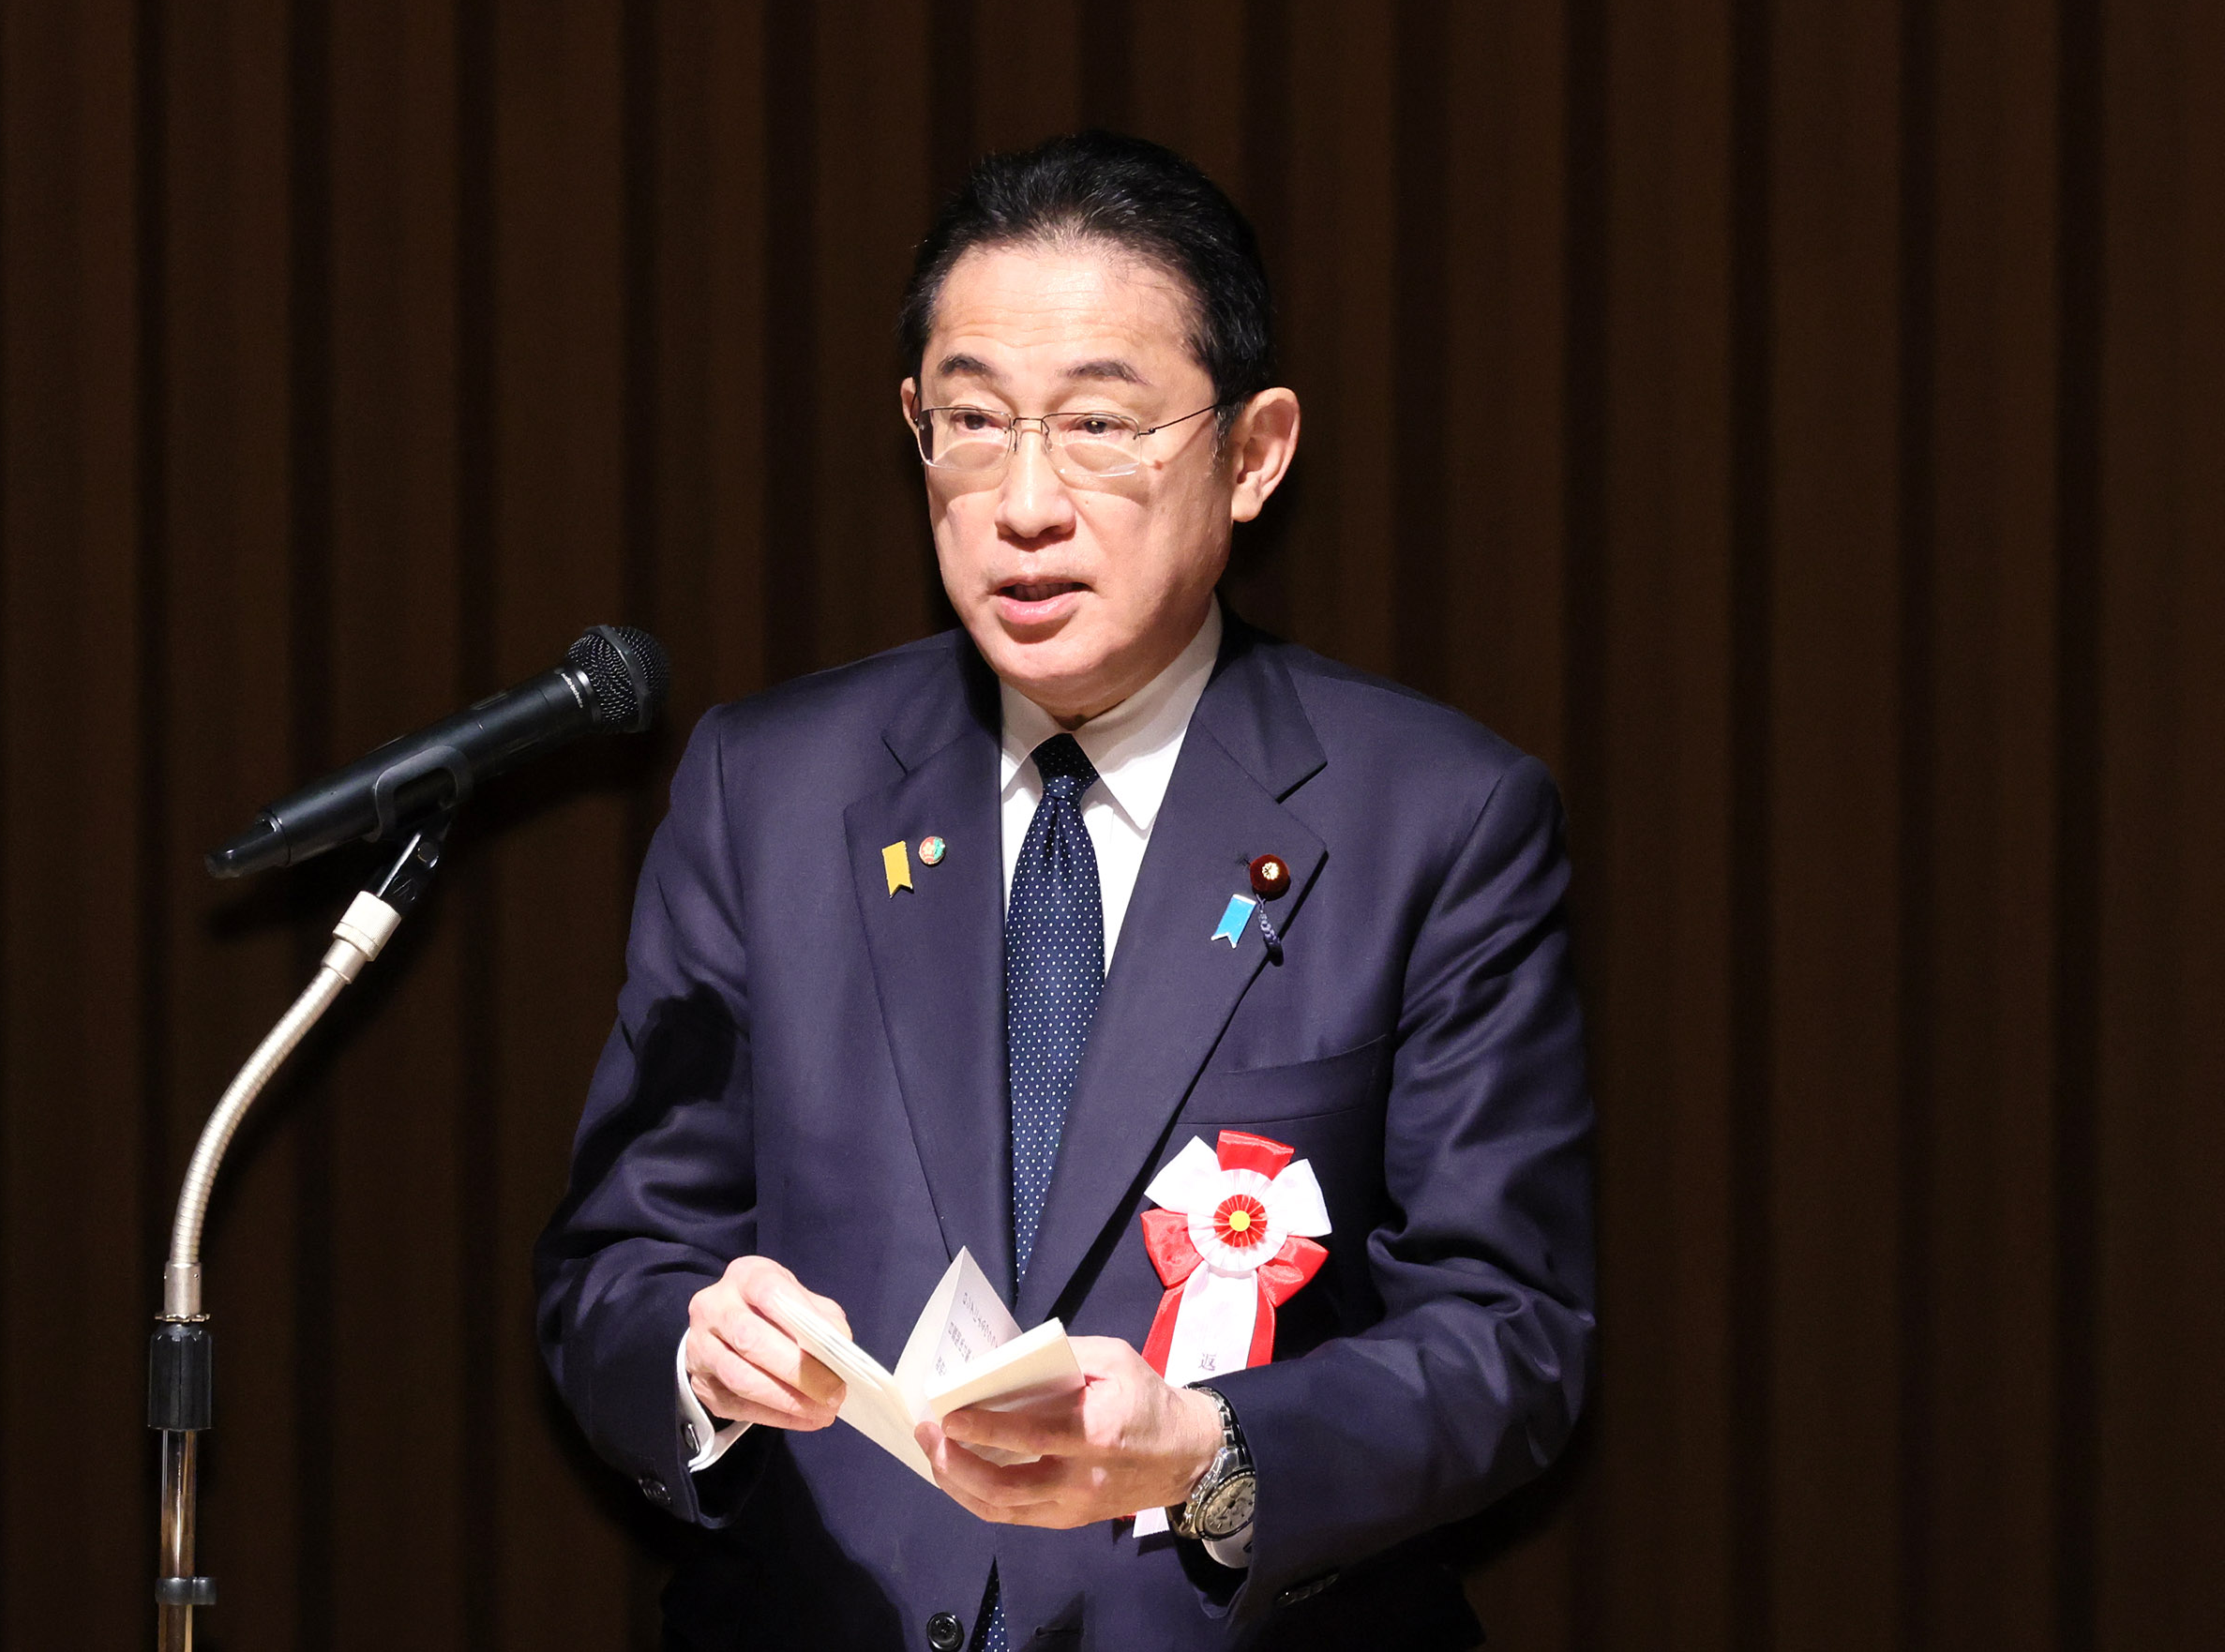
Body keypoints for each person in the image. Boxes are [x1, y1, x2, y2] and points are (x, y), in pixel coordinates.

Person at [535, 130, 1594, 1650]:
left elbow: (1510, 1335)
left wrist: (1214, 1452)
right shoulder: (766, 788)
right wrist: (696, 1361)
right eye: (972, 422)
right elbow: (613, 1266)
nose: (1024, 501)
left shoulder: (1436, 816)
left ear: (1254, 452)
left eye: (1099, 423)